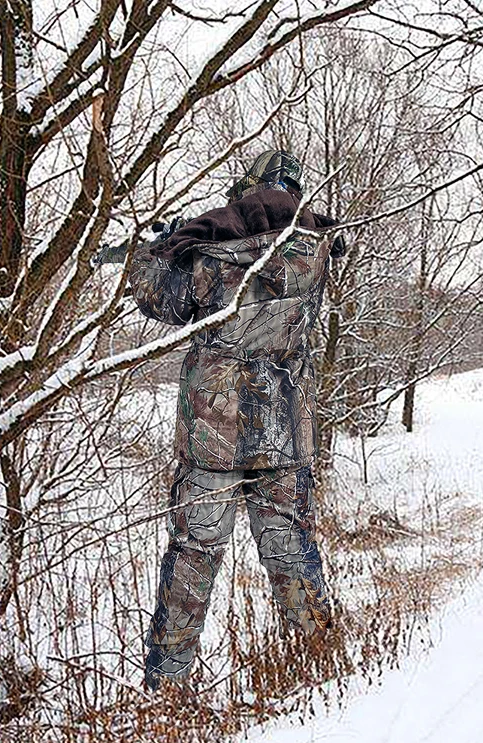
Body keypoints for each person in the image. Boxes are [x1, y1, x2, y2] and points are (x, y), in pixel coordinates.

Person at [127, 150, 344, 691]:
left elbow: (156, 299)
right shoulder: (316, 255)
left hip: (212, 439)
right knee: (290, 551)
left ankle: (167, 692)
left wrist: (157, 248)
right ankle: (326, 676)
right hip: (285, 437)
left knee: (193, 562)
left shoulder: (208, 258)